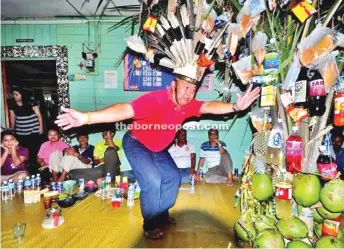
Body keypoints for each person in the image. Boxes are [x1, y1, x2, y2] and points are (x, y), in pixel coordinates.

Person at [55, 1, 260, 240]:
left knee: (172, 177)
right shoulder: (155, 99)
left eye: (193, 90)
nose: (188, 94)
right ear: (174, 84)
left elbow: (209, 107)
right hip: (137, 144)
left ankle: (161, 214)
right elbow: (124, 109)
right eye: (185, 87)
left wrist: (236, 106)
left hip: (159, 149)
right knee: (152, 179)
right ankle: (150, 223)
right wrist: (87, 117)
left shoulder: (188, 104)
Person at [9, 87, 44, 173]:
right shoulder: (12, 104)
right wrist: (12, 130)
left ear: (22, 95)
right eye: (14, 94)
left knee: (33, 148)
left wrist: (41, 126)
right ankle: (25, 166)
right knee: (24, 148)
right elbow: (12, 117)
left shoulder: (32, 102)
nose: (15, 96)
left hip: (33, 128)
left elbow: (39, 115)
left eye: (17, 94)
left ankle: (34, 166)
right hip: (21, 130)